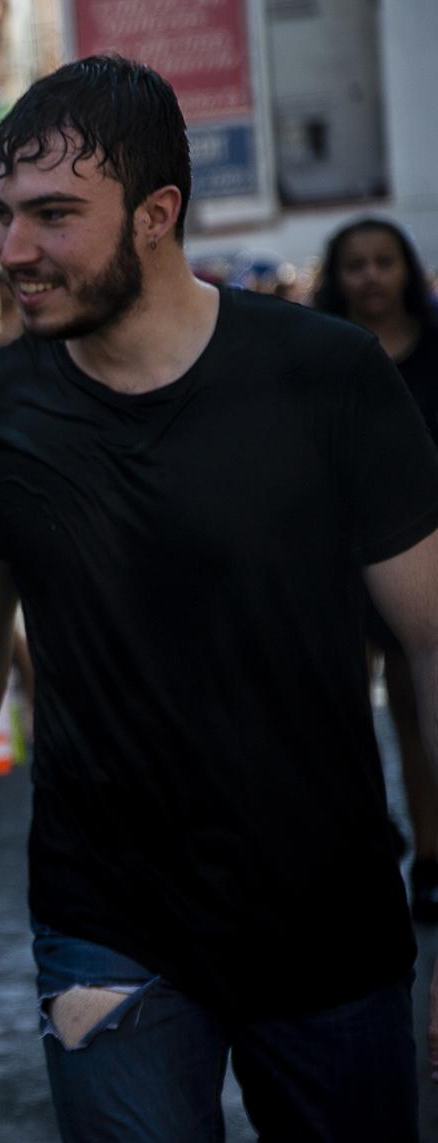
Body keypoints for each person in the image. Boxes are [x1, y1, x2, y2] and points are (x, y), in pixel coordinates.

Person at [0, 56, 438, 1140]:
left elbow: (432, 643)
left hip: (323, 911)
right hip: (107, 925)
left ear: (156, 213)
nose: (11, 251)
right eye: (3, 214)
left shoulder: (323, 375)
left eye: (52, 216)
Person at [314, 216, 438, 923]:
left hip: (422, 555)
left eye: (384, 261)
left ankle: (430, 853)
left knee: (421, 711)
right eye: (356, 264)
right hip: (338, 556)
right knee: (338, 709)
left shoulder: (433, 350)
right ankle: (362, 836)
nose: (370, 276)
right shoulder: (324, 355)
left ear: (405, 270)